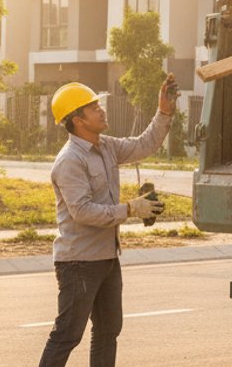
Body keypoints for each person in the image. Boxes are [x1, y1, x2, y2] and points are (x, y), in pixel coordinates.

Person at [39, 75, 176, 367]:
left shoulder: (107, 146)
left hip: (107, 258)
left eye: (98, 105)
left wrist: (164, 112)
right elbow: (83, 211)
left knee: (108, 331)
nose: (101, 110)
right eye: (93, 108)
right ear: (78, 120)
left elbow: (144, 145)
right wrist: (130, 208)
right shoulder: (70, 161)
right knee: (67, 335)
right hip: (78, 263)